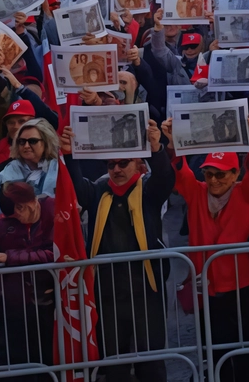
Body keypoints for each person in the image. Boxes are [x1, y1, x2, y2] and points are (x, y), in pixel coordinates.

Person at [62, 118, 173, 382]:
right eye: (111, 165)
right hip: (107, 289)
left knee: (151, 361)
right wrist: (68, 154)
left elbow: (166, 178)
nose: (116, 169)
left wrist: (157, 149)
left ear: (139, 164)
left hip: (146, 287)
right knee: (114, 363)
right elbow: (77, 188)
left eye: (123, 163)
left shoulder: (148, 190)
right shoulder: (99, 190)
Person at [169, 116, 249, 382]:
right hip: (207, 286)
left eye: (220, 174)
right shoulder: (197, 192)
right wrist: (172, 143)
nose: (213, 180)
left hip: (241, 285)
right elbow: (180, 171)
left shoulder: (245, 193)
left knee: (244, 345)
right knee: (210, 345)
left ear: (235, 174)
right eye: (209, 173)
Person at [0, 182, 55, 382]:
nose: (18, 216)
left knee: (49, 364)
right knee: (14, 366)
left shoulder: (54, 211)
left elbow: (59, 254)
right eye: (11, 215)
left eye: (20, 209)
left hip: (50, 303)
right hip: (13, 307)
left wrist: (10, 257)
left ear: (32, 200)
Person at [0, 118, 61, 221]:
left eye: (33, 141)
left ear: (46, 142)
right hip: (13, 230)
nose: (26, 146)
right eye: (22, 141)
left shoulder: (58, 168)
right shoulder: (9, 169)